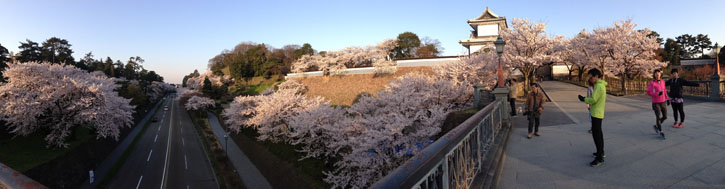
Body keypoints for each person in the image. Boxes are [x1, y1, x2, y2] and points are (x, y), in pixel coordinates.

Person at [578, 68, 607, 167]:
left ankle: (599, 157)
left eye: (591, 77)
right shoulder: (600, 85)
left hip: (596, 113)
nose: (590, 79)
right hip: (598, 112)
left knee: (596, 135)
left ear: (596, 77)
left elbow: (594, 99)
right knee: (598, 134)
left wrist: (584, 99)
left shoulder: (599, 86)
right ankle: (601, 152)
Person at [647, 69, 669, 139]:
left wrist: (667, 99)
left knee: (665, 116)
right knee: (658, 117)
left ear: (660, 74)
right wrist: (656, 94)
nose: (657, 74)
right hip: (656, 102)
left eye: (659, 73)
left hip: (663, 101)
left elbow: (664, 90)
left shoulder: (662, 82)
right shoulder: (652, 83)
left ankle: (656, 126)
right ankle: (661, 131)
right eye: (656, 73)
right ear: (654, 75)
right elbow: (649, 92)